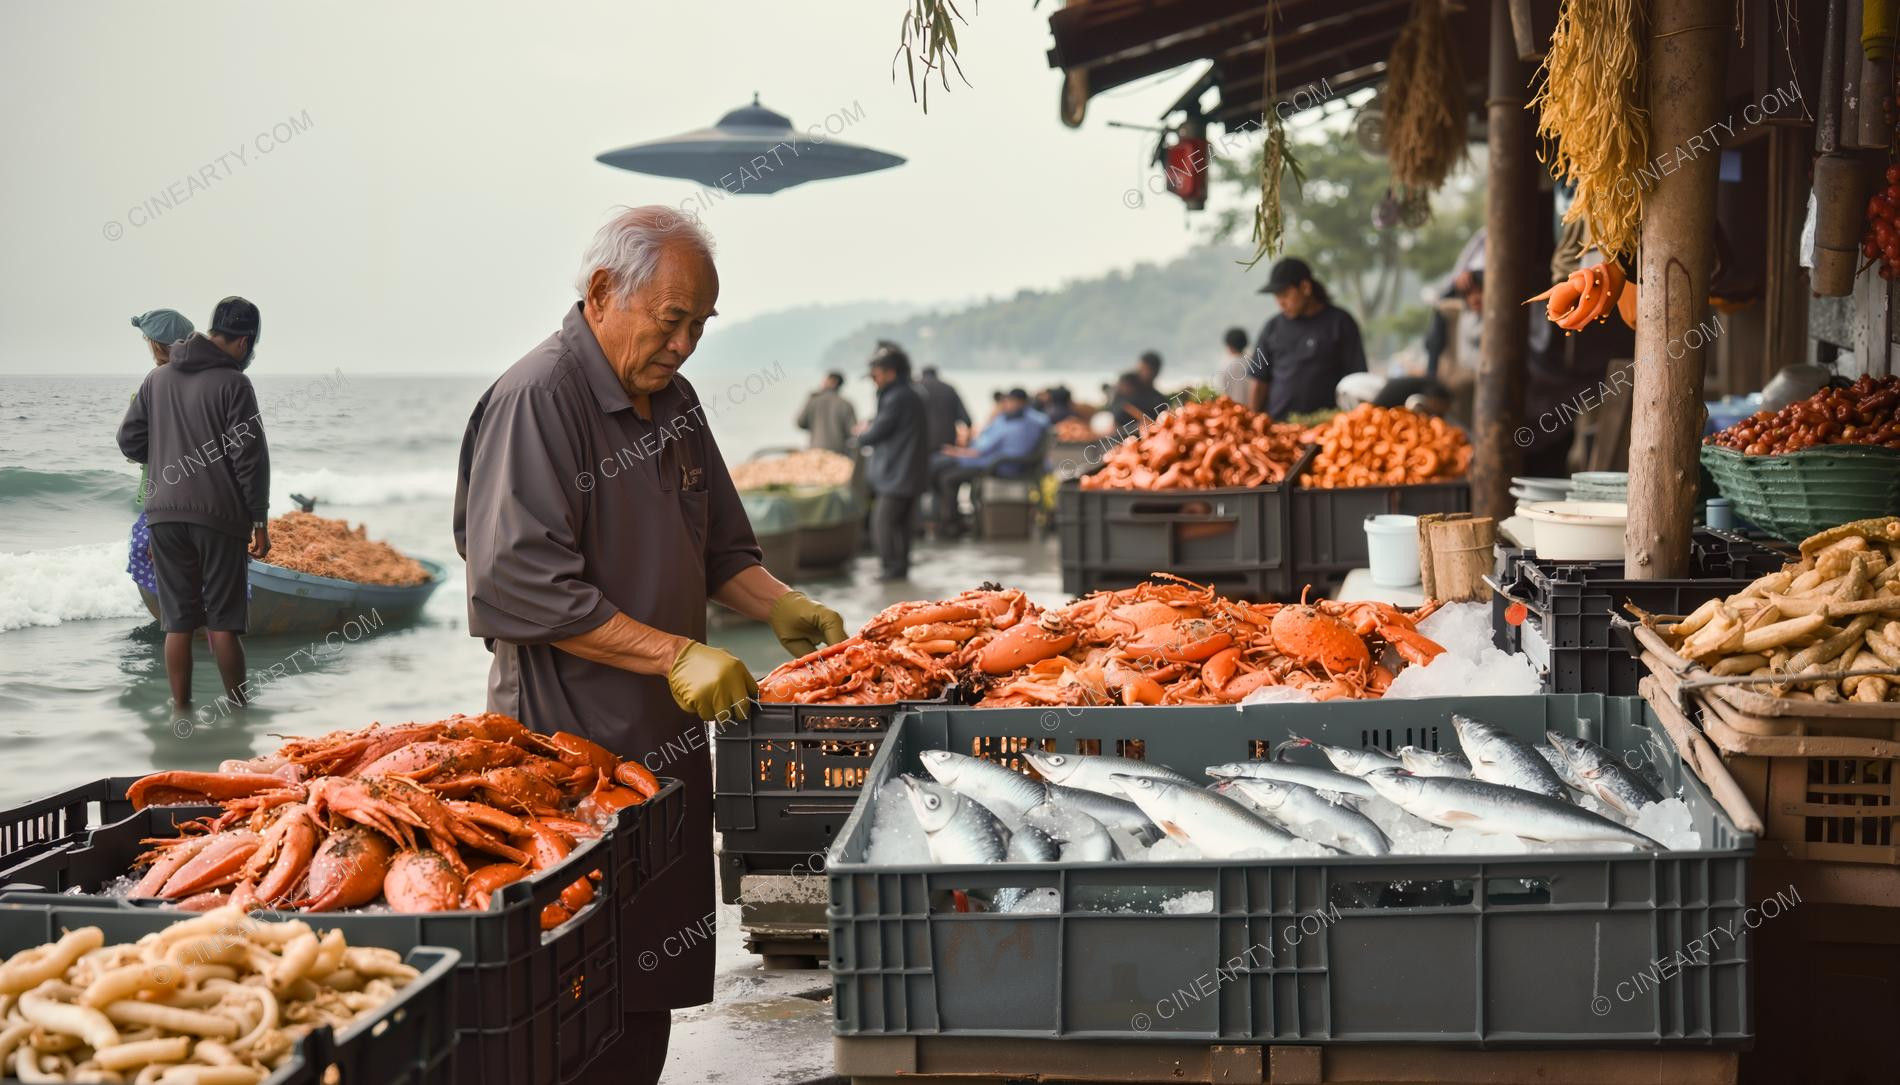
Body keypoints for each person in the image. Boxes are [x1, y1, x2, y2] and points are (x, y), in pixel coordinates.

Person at [451, 206, 845, 1085]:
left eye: (701, 326)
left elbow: (719, 550)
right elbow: (515, 584)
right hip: (566, 755)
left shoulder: (675, 400)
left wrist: (779, 602)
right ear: (602, 293)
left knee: (649, 991)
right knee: (569, 987)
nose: (686, 344)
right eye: (671, 320)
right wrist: (675, 655)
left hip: (668, 755)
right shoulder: (537, 398)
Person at [116, 297, 270, 711]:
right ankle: (239, 712)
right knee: (222, 624)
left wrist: (166, 451)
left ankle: (180, 713)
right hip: (218, 517)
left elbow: (128, 441)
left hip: (163, 515)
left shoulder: (156, 379)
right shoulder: (235, 384)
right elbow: (249, 458)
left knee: (177, 623)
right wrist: (259, 518)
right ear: (243, 341)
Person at [125, 309, 196, 603]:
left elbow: (130, 442)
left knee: (171, 594)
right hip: (204, 500)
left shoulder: (153, 383)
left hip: (163, 499)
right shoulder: (211, 382)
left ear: (156, 344)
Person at [1248, 257, 1368, 419]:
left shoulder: (1340, 322)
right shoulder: (1271, 328)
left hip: (1327, 426)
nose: (1280, 303)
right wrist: (1252, 421)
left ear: (1305, 287)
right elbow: (1259, 380)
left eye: (1285, 294)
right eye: (1276, 297)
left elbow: (1357, 380)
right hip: (1278, 425)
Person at [854, 343, 931, 578]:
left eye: (875, 375)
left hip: (897, 472)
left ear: (890, 372)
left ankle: (891, 569)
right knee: (903, 525)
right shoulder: (913, 392)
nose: (873, 381)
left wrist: (860, 435)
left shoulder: (896, 396)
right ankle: (901, 567)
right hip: (912, 470)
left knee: (883, 523)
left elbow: (879, 431)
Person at [928, 387, 1048, 536]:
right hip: (990, 461)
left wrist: (956, 452)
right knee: (942, 470)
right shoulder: (1017, 420)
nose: (1006, 405)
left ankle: (950, 524)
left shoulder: (1020, 424)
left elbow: (980, 450)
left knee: (945, 475)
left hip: (997, 465)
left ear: (1021, 403)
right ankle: (945, 521)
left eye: (1010, 401)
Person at [794, 370, 856, 453]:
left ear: (833, 382)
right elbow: (852, 431)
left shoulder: (813, 400)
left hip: (815, 450)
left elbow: (800, 423)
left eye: (825, 380)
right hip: (838, 452)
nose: (822, 382)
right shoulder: (846, 404)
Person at [916, 364, 972, 450]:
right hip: (947, 445)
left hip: (921, 445)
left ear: (922, 374)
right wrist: (967, 441)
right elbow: (967, 420)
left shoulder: (915, 388)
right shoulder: (949, 389)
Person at [1216, 327, 1252, 403]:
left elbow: (1221, 391)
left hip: (1232, 409)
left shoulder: (1226, 366)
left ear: (1229, 346)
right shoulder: (1253, 361)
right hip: (1253, 409)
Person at [1130, 350, 1171, 417]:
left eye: (1145, 369)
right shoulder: (1128, 394)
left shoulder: (1160, 401)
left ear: (1155, 372)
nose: (1140, 372)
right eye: (1140, 369)